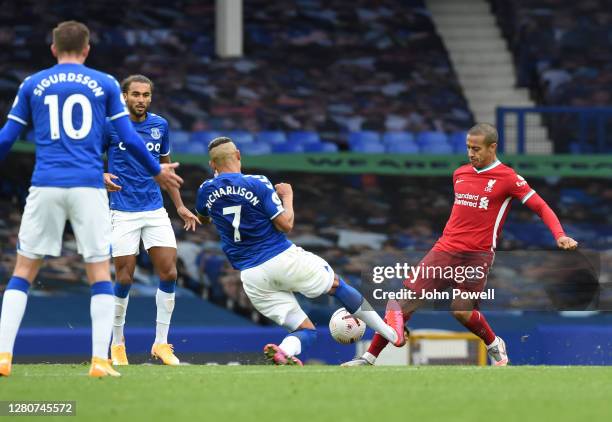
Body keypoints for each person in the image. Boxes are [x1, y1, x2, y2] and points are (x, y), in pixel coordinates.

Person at [0, 21, 183, 378]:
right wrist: (157, 170)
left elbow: (7, 138)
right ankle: (100, 362)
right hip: (88, 187)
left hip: (46, 183)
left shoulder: (32, 84)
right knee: (100, 273)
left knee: (23, 271)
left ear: (53, 49)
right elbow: (129, 139)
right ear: (86, 50)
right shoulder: (105, 84)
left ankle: (3, 356)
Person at [343, 123, 578, 366]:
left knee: (460, 310)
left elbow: (540, 206)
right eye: (468, 148)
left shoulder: (508, 178)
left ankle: (494, 344)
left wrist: (559, 234)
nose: (470, 153)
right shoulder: (460, 174)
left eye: (476, 148)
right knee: (402, 304)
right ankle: (368, 358)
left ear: (492, 147)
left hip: (477, 255)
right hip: (445, 249)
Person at [195, 137, 405, 365]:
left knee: (305, 330)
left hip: (251, 276)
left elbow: (203, 218)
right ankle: (392, 334)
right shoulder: (257, 182)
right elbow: (286, 224)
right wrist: (287, 196)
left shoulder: (205, 190)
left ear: (212, 165)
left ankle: (284, 351)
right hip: (280, 258)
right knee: (336, 285)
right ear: (238, 154)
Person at [103, 74, 199, 366]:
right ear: (125, 96)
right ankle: (117, 344)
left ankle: (161, 344)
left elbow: (166, 171)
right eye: (136, 94)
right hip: (122, 210)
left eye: (146, 95)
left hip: (155, 209)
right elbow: (89, 157)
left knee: (169, 274)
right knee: (124, 278)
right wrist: (100, 174)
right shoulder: (110, 125)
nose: (141, 100)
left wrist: (180, 206)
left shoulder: (160, 126)